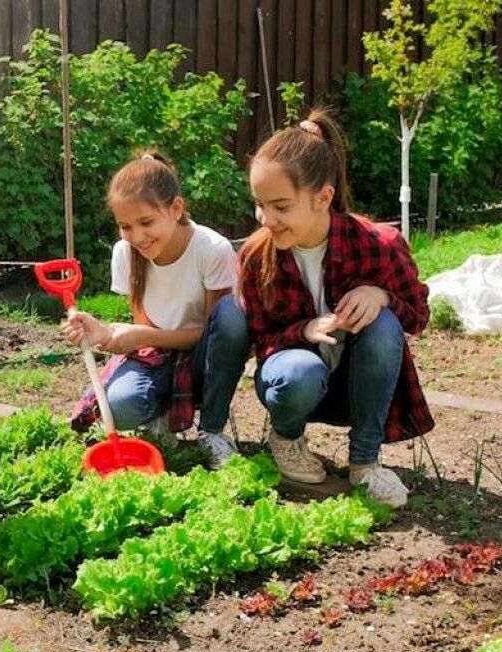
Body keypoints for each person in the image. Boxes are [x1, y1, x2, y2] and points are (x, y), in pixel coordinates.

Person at [239, 110, 433, 508]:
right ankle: (287, 438)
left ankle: (365, 462)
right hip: (295, 384)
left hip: (355, 387)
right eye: (260, 205)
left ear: (322, 197)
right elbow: (260, 340)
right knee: (299, 371)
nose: (267, 219)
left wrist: (382, 297)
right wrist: (305, 331)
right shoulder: (257, 256)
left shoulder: (378, 244)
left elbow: (417, 316)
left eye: (280, 206)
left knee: (383, 326)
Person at [65, 152, 250, 468]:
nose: (137, 237)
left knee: (234, 315)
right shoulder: (126, 253)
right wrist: (104, 333)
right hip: (159, 355)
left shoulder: (212, 249)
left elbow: (216, 333)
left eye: (146, 222)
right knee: (121, 406)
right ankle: (158, 418)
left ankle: (212, 431)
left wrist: (141, 336)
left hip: (207, 358)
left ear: (176, 208)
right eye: (125, 226)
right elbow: (145, 329)